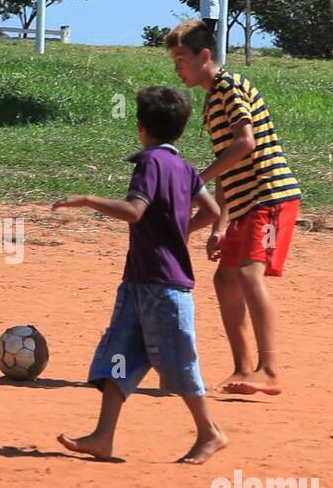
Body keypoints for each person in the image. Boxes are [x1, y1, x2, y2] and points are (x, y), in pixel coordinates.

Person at [52, 86, 225, 464]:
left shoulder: (150, 163)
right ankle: (103, 436)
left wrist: (86, 200)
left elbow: (133, 212)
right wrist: (179, 233)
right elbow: (212, 211)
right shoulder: (185, 168)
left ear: (141, 127)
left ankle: (210, 433)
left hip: (164, 286)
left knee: (180, 364)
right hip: (139, 282)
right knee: (119, 356)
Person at [165, 20, 302, 397]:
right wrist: (218, 225)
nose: (177, 68)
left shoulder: (230, 87)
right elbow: (229, 167)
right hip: (244, 204)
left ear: (204, 55)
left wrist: (199, 179)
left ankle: (270, 369)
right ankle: (244, 368)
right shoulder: (212, 101)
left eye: (181, 59)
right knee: (225, 278)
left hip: (270, 197)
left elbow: (245, 143)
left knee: (248, 275)